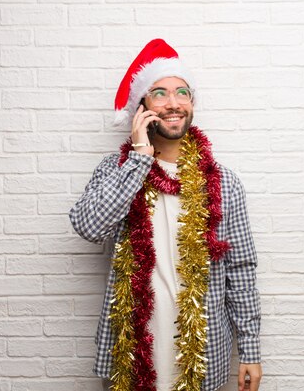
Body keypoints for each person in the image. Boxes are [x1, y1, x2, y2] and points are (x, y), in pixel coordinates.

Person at [69, 39, 262, 391]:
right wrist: (140, 158)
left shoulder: (223, 182)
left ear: (192, 103)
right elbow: (89, 226)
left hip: (202, 351)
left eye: (182, 93)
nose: (173, 103)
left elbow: (241, 269)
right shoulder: (117, 170)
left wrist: (250, 350)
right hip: (130, 350)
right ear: (141, 107)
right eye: (159, 92)